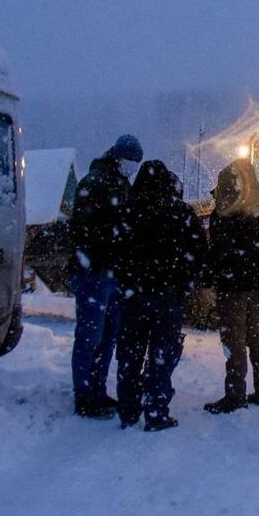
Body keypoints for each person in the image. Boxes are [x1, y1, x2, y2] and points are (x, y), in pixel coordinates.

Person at [114, 160, 206, 431]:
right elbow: (198, 254)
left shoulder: (127, 211)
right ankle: (156, 411)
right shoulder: (181, 212)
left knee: (130, 353)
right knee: (162, 354)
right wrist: (185, 285)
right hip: (168, 296)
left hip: (133, 295)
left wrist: (125, 281)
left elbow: (114, 252)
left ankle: (128, 409)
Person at [69, 134, 143, 418]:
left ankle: (97, 390)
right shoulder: (95, 182)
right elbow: (83, 230)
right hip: (94, 273)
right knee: (91, 335)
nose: (132, 165)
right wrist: (113, 243)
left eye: (136, 161)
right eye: (130, 160)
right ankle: (84, 395)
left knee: (108, 336)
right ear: (117, 156)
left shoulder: (121, 184)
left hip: (112, 273)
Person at [204, 159, 259, 414]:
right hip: (258, 287)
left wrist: (211, 279)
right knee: (257, 338)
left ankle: (235, 394)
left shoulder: (224, 214)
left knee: (234, 340)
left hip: (232, 288)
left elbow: (217, 251)